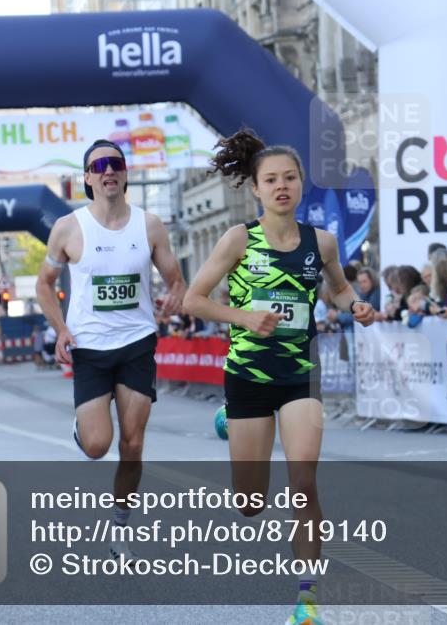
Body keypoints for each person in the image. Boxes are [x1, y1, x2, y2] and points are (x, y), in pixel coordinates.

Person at [182, 129, 375, 625]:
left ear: (301, 184)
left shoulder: (322, 242)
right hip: (248, 374)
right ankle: (230, 419)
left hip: (298, 374)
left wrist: (355, 305)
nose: (281, 186)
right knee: (249, 503)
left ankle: (307, 599)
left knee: (304, 481)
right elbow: (194, 300)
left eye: (290, 177)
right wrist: (245, 317)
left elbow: (336, 289)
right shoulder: (237, 239)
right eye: (271, 179)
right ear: (256, 188)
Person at [36, 139, 187, 564]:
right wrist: (60, 328)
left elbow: (176, 279)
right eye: (98, 165)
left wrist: (176, 296)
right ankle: (85, 430)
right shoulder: (68, 227)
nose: (108, 171)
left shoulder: (150, 225)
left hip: (137, 343)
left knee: (133, 445)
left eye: (115, 164)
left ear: (125, 173)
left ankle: (121, 523)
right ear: (86, 178)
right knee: (100, 444)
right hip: (90, 348)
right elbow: (44, 284)